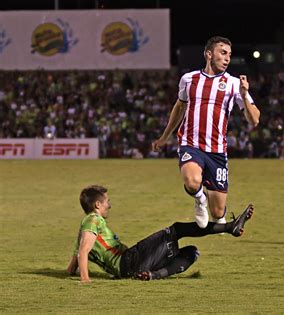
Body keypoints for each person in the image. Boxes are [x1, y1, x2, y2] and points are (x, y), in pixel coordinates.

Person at [152, 36, 260, 228]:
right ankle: (199, 197)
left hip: (217, 151)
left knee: (218, 213)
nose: (227, 58)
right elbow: (179, 108)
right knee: (193, 181)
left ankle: (214, 209)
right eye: (223, 53)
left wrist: (244, 94)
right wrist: (164, 137)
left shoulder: (234, 84)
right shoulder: (189, 79)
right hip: (190, 144)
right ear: (209, 54)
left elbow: (254, 120)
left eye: (229, 54)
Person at [66, 185, 254, 282]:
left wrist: (69, 273)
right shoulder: (93, 220)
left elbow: (78, 255)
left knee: (191, 252)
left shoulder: (83, 230)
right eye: (106, 201)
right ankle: (230, 227)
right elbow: (83, 252)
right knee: (176, 229)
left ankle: (153, 275)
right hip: (129, 260)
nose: (109, 205)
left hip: (131, 270)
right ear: (97, 205)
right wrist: (85, 279)